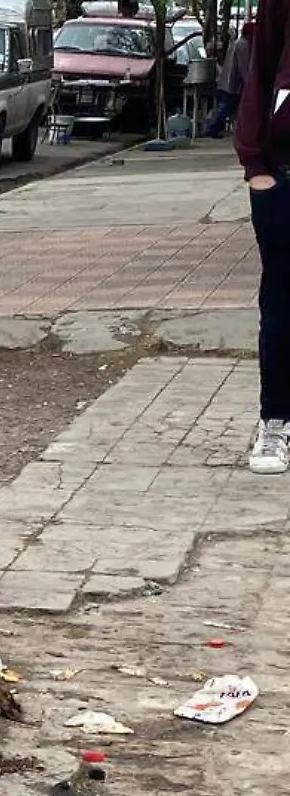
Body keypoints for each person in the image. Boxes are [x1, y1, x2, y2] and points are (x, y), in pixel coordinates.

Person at [237, 0, 290, 472]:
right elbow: (261, 66)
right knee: (281, 308)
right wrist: (256, 165)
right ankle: (275, 422)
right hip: (284, 175)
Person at [207, 21, 254, 137]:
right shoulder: (244, 45)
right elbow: (244, 66)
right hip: (232, 83)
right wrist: (249, 82)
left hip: (227, 81)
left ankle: (215, 128)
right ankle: (213, 128)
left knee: (226, 107)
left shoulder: (238, 43)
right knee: (225, 108)